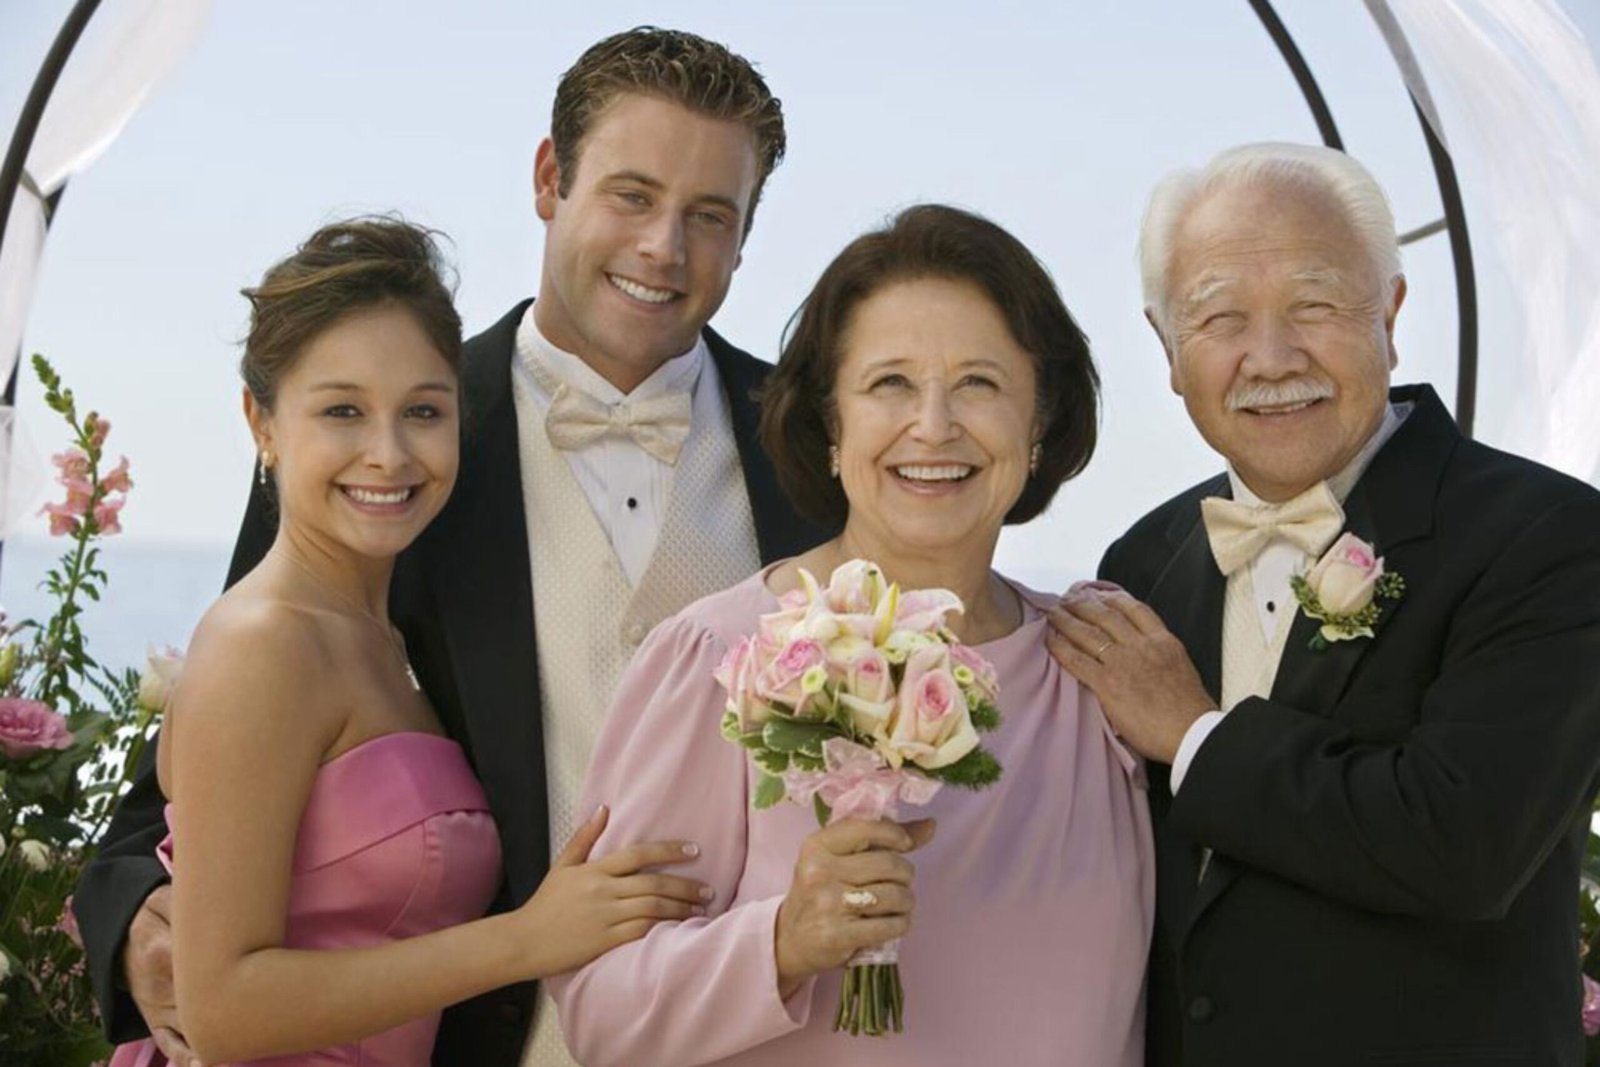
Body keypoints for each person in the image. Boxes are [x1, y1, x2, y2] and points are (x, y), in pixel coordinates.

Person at [74, 27, 829, 1067]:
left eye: (710, 215)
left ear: (745, 237)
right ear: (548, 178)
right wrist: (141, 917)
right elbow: (195, 771)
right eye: (630, 194)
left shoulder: (815, 443)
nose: (664, 246)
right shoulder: (397, 442)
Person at [547, 204, 1154, 1066]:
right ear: (832, 427)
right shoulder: (717, 659)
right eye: (890, 384)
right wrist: (784, 940)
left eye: (979, 383)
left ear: (1040, 422)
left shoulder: (1095, 673)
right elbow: (604, 1015)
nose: (935, 425)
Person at [104, 218, 711, 1067]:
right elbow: (222, 1009)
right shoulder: (262, 646)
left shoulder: (383, 638)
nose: (388, 454)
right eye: (343, 410)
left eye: (423, 410)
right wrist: (531, 937)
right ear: (262, 422)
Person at [1046, 142, 1600, 1066]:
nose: (1272, 356)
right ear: (1167, 347)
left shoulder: (1549, 536)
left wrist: (1193, 734)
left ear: (1389, 310)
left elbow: (1459, 844)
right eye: (1221, 316)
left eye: (1315, 304)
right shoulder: (1144, 560)